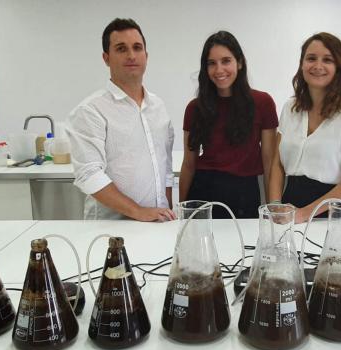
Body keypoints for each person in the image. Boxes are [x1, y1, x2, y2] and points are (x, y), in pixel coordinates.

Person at [66, 18, 176, 221]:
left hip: (157, 222)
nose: (131, 55)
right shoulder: (91, 110)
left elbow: (165, 167)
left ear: (146, 55)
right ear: (106, 58)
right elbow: (89, 174)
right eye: (121, 49)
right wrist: (138, 211)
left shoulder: (158, 106)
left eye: (137, 47)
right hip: (111, 231)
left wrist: (165, 209)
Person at [269, 32, 341, 223]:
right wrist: (275, 205)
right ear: (302, 64)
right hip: (292, 203)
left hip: (336, 209)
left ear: (338, 67)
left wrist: (303, 214)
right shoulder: (290, 108)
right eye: (311, 58)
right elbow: (277, 164)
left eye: (327, 60)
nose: (317, 66)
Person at [179, 31, 278, 218]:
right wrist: (182, 211)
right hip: (203, 193)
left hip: (244, 194)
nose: (219, 70)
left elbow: (269, 162)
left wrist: (271, 208)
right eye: (211, 63)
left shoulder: (262, 103)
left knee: (242, 247)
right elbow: (188, 164)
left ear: (239, 63)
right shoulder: (195, 108)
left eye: (226, 61)